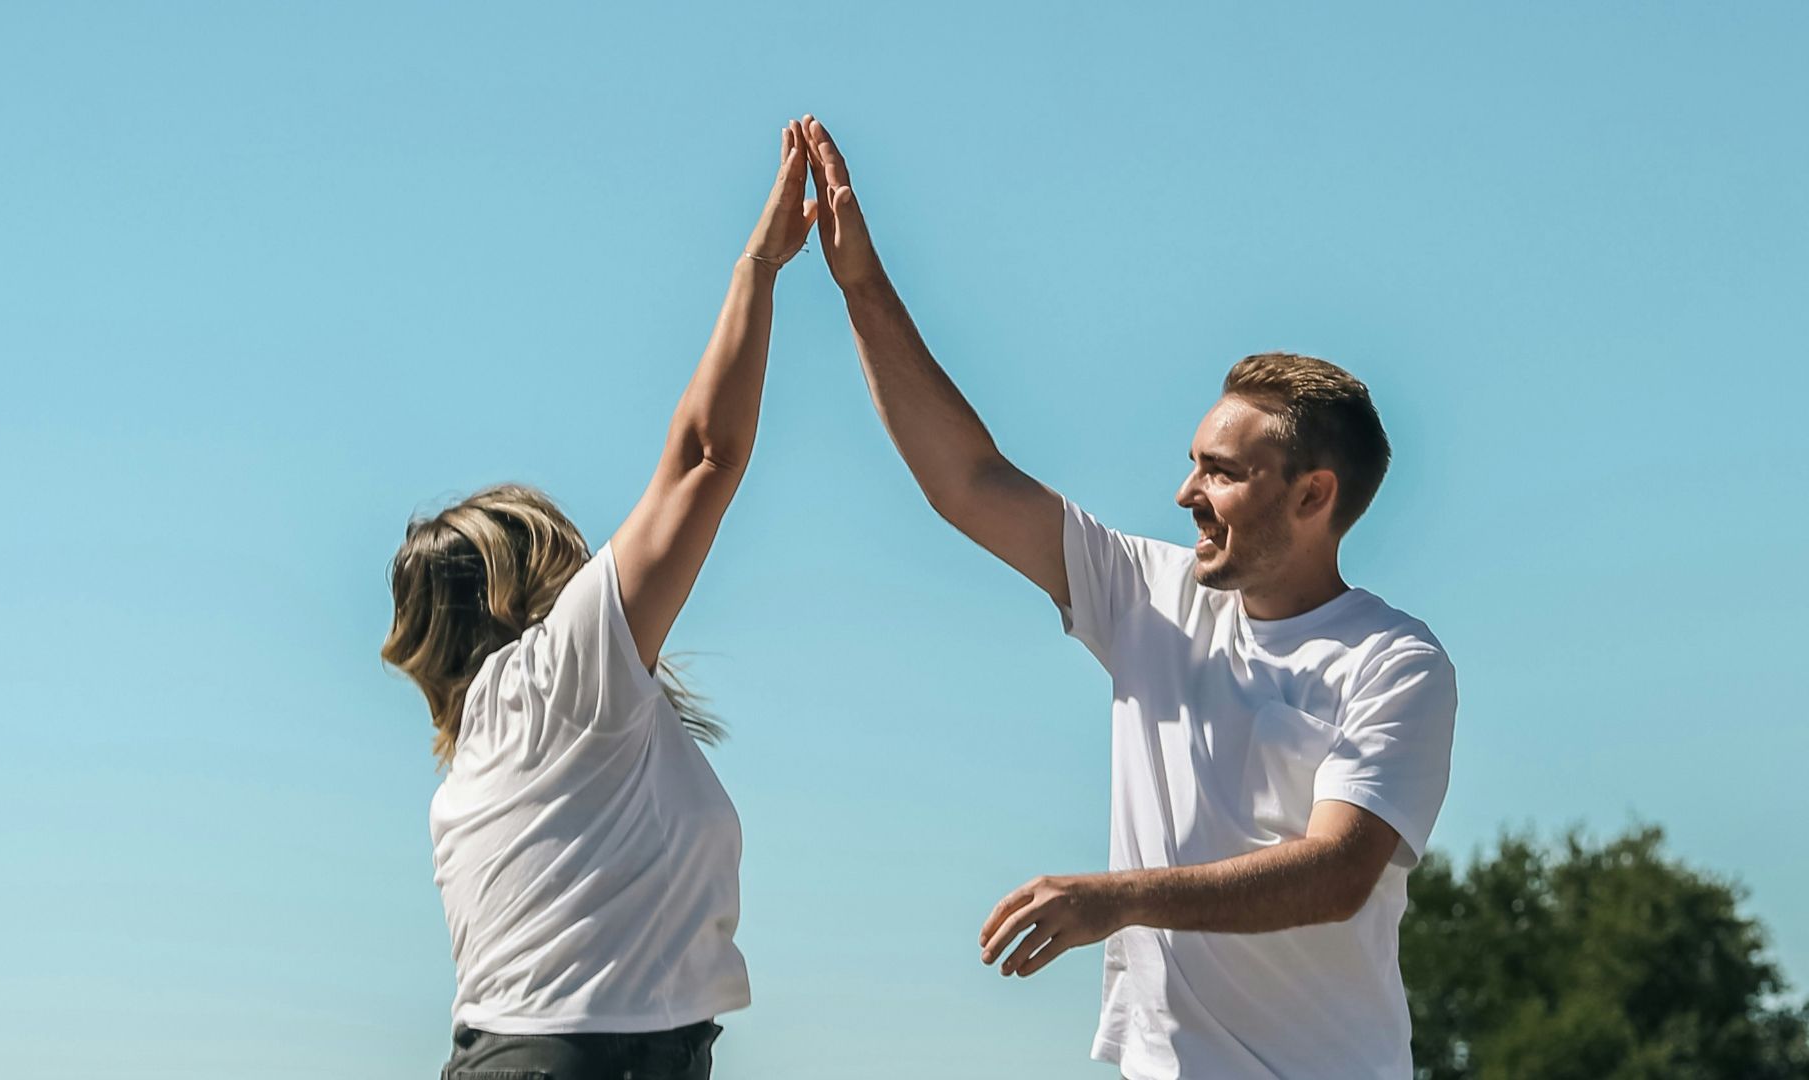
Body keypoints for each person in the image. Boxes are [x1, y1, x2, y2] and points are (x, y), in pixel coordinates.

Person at [801, 115, 1459, 1079]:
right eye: (1192, 464)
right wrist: (859, 283)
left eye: (1221, 473)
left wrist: (1116, 899)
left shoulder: (1395, 663)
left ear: (1314, 496)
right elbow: (969, 481)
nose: (1186, 494)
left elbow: (1339, 871)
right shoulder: (1149, 593)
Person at [380, 121, 819, 1080]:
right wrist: (761, 264)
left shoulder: (508, 739)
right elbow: (706, 456)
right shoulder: (553, 683)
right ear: (523, 579)